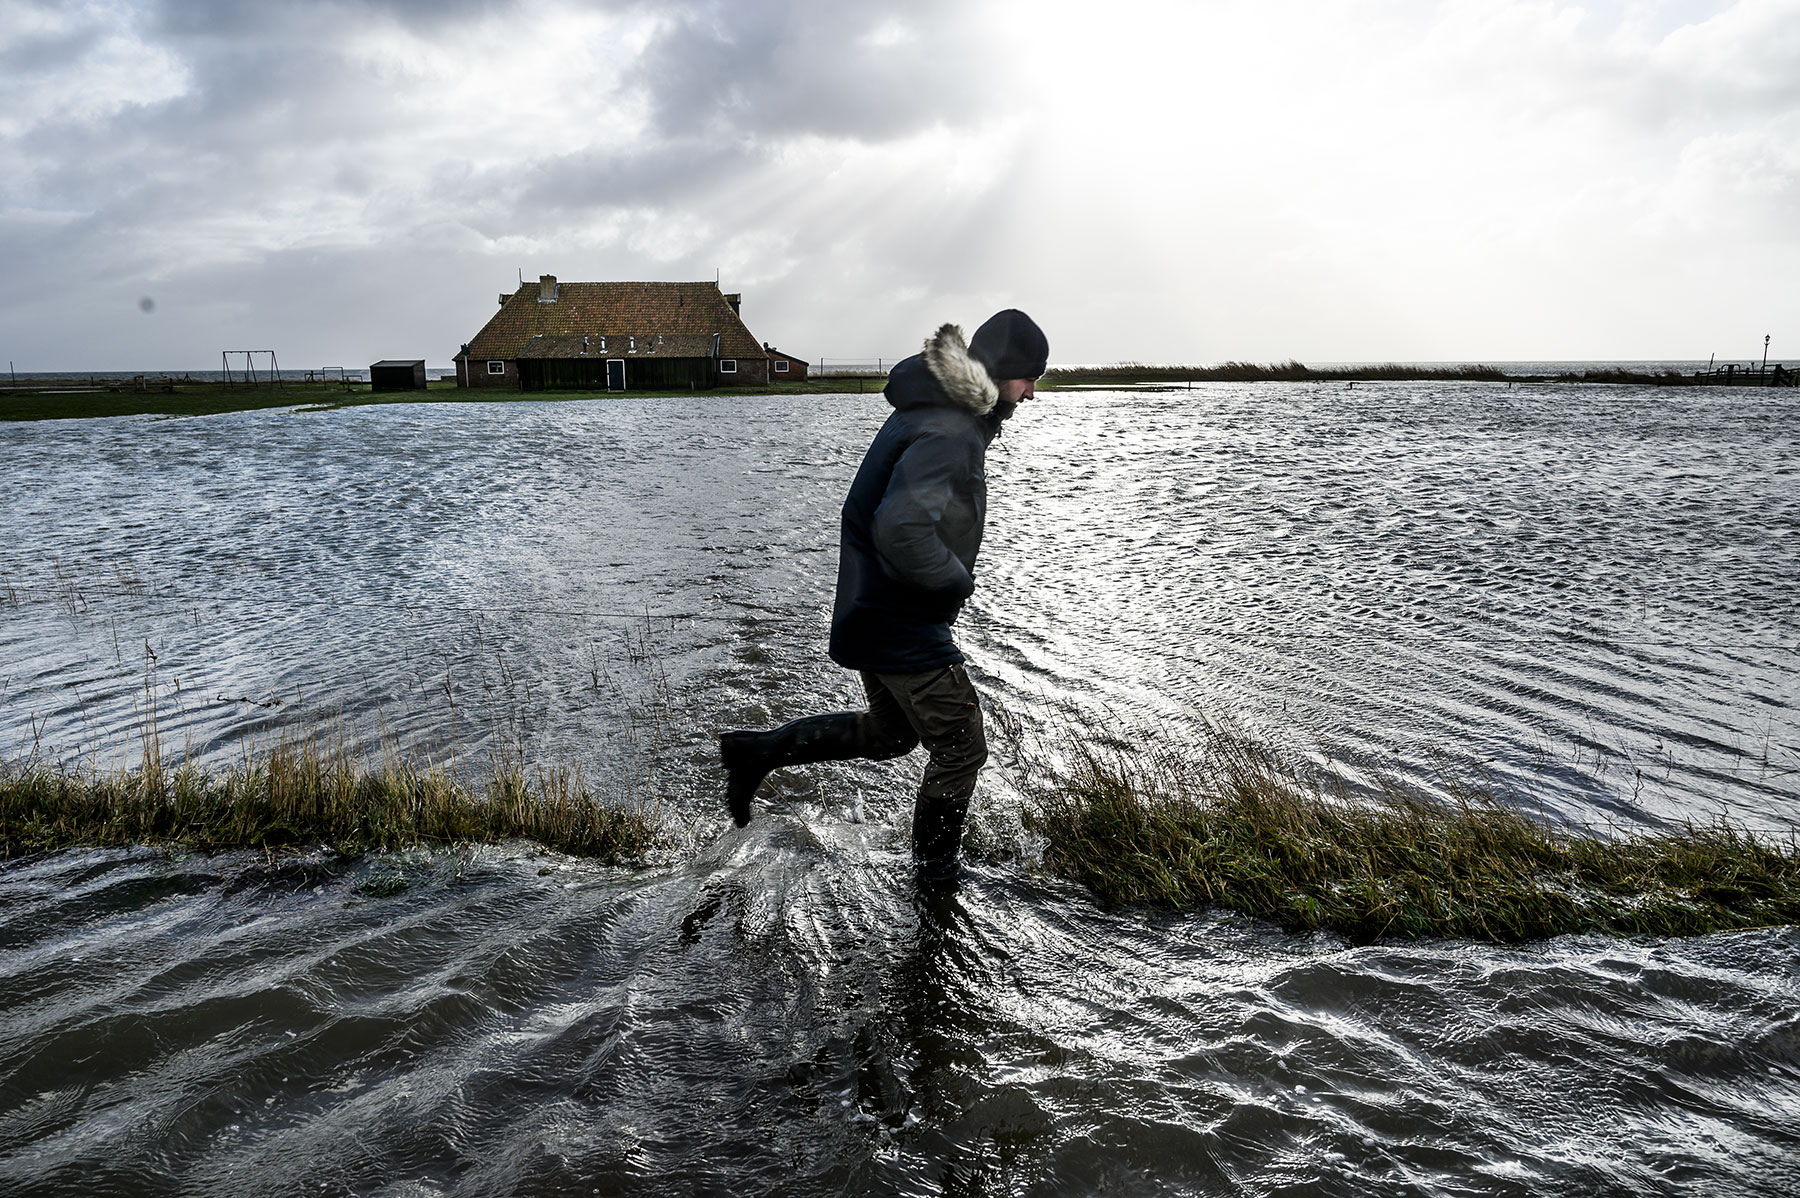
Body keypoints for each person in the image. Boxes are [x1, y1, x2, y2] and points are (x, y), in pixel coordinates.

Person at [719, 309, 1049, 885]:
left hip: (874, 610)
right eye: (1029, 379)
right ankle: (935, 876)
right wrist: (956, 581)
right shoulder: (950, 431)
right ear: (1006, 373)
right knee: (962, 749)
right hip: (902, 620)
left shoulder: (933, 412)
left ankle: (756, 753)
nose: (1031, 393)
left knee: (892, 735)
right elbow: (900, 527)